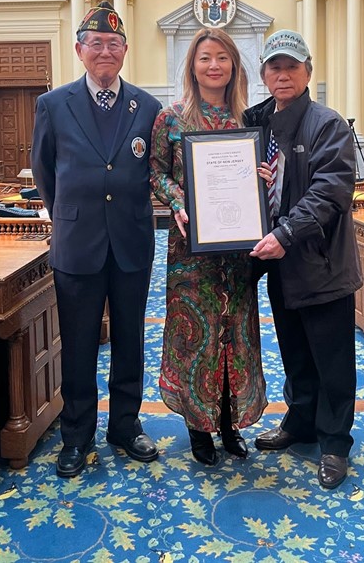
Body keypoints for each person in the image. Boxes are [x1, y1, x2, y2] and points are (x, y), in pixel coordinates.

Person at [31, 1, 162, 478]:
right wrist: (69, 212)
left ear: (125, 51)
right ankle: (77, 435)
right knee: (80, 345)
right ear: (79, 50)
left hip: (131, 242)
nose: (105, 51)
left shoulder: (147, 107)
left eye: (113, 43)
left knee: (130, 341)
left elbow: (156, 170)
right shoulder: (53, 104)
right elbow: (45, 172)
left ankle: (125, 425)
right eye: (96, 43)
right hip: (77, 243)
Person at [244, 30, 362, 489]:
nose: (283, 74)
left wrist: (286, 233)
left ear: (307, 72)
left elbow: (330, 191)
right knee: (294, 351)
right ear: (264, 75)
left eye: (291, 66)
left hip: (320, 262)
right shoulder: (257, 124)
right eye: (274, 66)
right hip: (280, 264)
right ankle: (300, 422)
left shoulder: (327, 124)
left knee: (332, 359)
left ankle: (334, 442)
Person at [150, 27, 267, 466]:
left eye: (222, 57)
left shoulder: (249, 120)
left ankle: (229, 422)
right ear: (192, 65)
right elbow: (157, 172)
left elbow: (257, 174)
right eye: (204, 57)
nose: (213, 65)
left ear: (234, 65)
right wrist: (179, 200)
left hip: (237, 253)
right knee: (195, 336)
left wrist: (263, 181)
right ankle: (199, 427)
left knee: (234, 334)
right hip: (190, 248)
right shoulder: (172, 117)